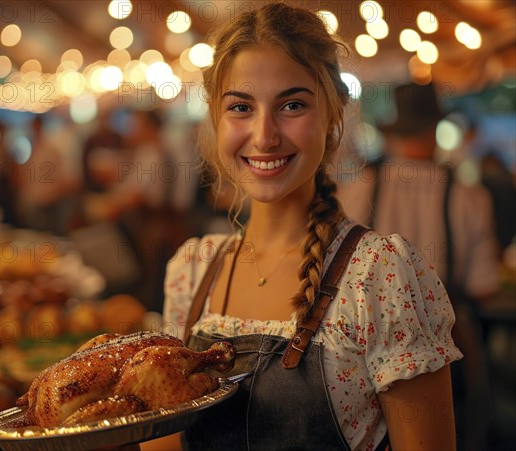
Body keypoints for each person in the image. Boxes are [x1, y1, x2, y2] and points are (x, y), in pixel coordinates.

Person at [154, 3, 462, 451]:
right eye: (241, 107)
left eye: (292, 105)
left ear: (333, 115)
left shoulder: (380, 273)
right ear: (216, 120)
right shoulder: (192, 269)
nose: (264, 136)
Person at [337, 83, 500, 451]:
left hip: (363, 348)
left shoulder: (359, 188)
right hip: (445, 349)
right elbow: (483, 286)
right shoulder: (469, 196)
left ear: (394, 133)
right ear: (434, 130)